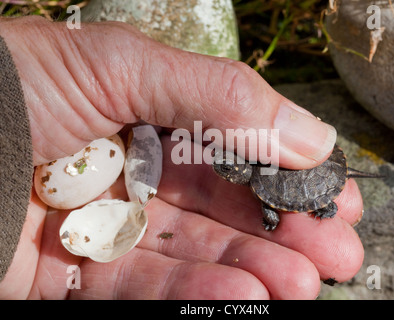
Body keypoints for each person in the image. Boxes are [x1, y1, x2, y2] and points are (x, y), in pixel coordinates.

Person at [0, 16, 364, 299]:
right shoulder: (253, 169)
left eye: (226, 168)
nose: (223, 169)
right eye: (226, 166)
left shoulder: (258, 176)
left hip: (315, 177)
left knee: (317, 219)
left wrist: (275, 214)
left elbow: (272, 204)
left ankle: (326, 205)